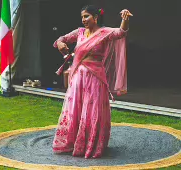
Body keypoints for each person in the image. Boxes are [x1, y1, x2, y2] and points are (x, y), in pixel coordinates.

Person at [52, 5, 132, 158]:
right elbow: (60, 39)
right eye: (82, 17)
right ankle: (72, 141)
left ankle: (90, 144)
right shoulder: (80, 32)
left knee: (92, 110)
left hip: (95, 78)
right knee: (75, 109)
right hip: (78, 79)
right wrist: (61, 43)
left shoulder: (104, 33)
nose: (84, 20)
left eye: (87, 16)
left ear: (96, 17)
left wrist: (125, 20)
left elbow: (121, 32)